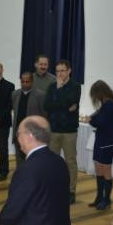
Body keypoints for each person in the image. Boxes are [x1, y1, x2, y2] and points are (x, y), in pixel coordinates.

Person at [44, 59, 82, 202]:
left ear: (69, 71)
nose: (59, 74)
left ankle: (71, 191)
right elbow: (47, 105)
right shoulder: (51, 86)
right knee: (52, 161)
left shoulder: (75, 86)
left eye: (62, 71)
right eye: (57, 71)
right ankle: (53, 188)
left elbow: (70, 102)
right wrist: (64, 105)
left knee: (70, 161)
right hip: (53, 129)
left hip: (69, 131)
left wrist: (59, 92)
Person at [87, 80, 113, 210]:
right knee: (98, 169)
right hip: (101, 140)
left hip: (107, 142)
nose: (95, 98)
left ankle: (107, 199)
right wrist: (93, 119)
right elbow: (98, 119)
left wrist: (91, 120)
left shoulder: (110, 105)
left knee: (106, 171)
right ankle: (99, 197)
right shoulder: (105, 104)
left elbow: (100, 122)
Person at [11, 72, 46, 166]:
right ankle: (21, 174)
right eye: (23, 82)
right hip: (19, 132)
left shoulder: (40, 95)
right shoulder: (15, 94)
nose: (25, 84)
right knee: (19, 158)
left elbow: (44, 115)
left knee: (33, 159)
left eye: (27, 81)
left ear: (32, 81)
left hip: (33, 133)